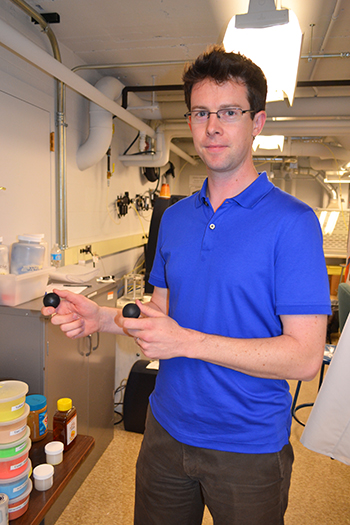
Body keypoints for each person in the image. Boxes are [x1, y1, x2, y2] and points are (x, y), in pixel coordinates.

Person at [42, 46, 331, 525]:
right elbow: (160, 321)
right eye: (200, 112)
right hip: (166, 430)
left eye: (228, 112)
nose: (212, 126)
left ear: (256, 122)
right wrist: (102, 319)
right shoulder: (174, 218)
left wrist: (189, 342)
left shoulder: (294, 223)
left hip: (248, 446)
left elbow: (303, 357)